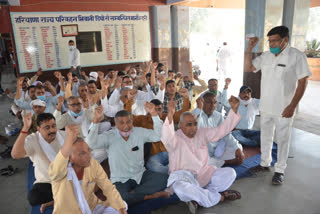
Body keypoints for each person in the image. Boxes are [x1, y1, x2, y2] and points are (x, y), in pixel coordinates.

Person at [244, 26, 311, 185]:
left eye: (274, 41)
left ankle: (280, 170)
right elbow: (248, 67)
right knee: (265, 137)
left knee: (283, 139)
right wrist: (249, 48)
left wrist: (292, 105)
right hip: (266, 106)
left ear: (285, 40)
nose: (271, 44)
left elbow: (303, 82)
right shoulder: (266, 56)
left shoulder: (296, 56)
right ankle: (264, 163)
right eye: (269, 41)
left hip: (284, 108)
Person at [161, 96, 242, 214]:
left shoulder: (202, 133)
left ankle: (201, 195)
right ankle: (219, 197)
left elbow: (221, 130)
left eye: (195, 124)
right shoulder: (175, 138)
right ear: (181, 126)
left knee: (230, 173)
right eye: (189, 125)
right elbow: (166, 135)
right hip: (185, 178)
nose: (193, 127)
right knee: (179, 187)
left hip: (204, 174)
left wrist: (233, 110)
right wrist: (170, 114)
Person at [86, 105, 169, 206]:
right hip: (120, 179)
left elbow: (158, 136)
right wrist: (95, 121)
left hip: (140, 175)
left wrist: (154, 115)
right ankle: (149, 196)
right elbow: (91, 143)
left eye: (128, 122)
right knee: (119, 197)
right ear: (116, 124)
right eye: (121, 123)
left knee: (164, 179)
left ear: (132, 121)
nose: (126, 126)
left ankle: (135, 194)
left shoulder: (139, 132)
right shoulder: (109, 136)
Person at [48, 125, 127, 214]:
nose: (89, 156)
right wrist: (69, 139)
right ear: (70, 158)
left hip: (92, 208)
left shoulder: (93, 164)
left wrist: (121, 209)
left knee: (120, 206)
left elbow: (108, 187)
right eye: (82, 154)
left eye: (88, 151)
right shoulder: (58, 171)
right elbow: (61, 159)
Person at [11, 113, 66, 212]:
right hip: (47, 180)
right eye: (47, 128)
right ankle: (61, 196)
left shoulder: (63, 136)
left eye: (53, 126)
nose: (52, 130)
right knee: (34, 197)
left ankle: (59, 198)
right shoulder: (32, 139)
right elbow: (16, 154)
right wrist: (25, 128)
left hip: (66, 176)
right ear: (38, 129)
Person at [193, 92, 245, 167]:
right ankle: (226, 162)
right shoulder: (194, 114)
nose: (212, 105)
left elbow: (226, 133)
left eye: (214, 102)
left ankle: (216, 161)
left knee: (237, 148)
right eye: (208, 102)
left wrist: (237, 149)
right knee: (197, 162)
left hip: (216, 150)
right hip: (199, 151)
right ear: (202, 103)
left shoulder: (218, 116)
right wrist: (199, 109)